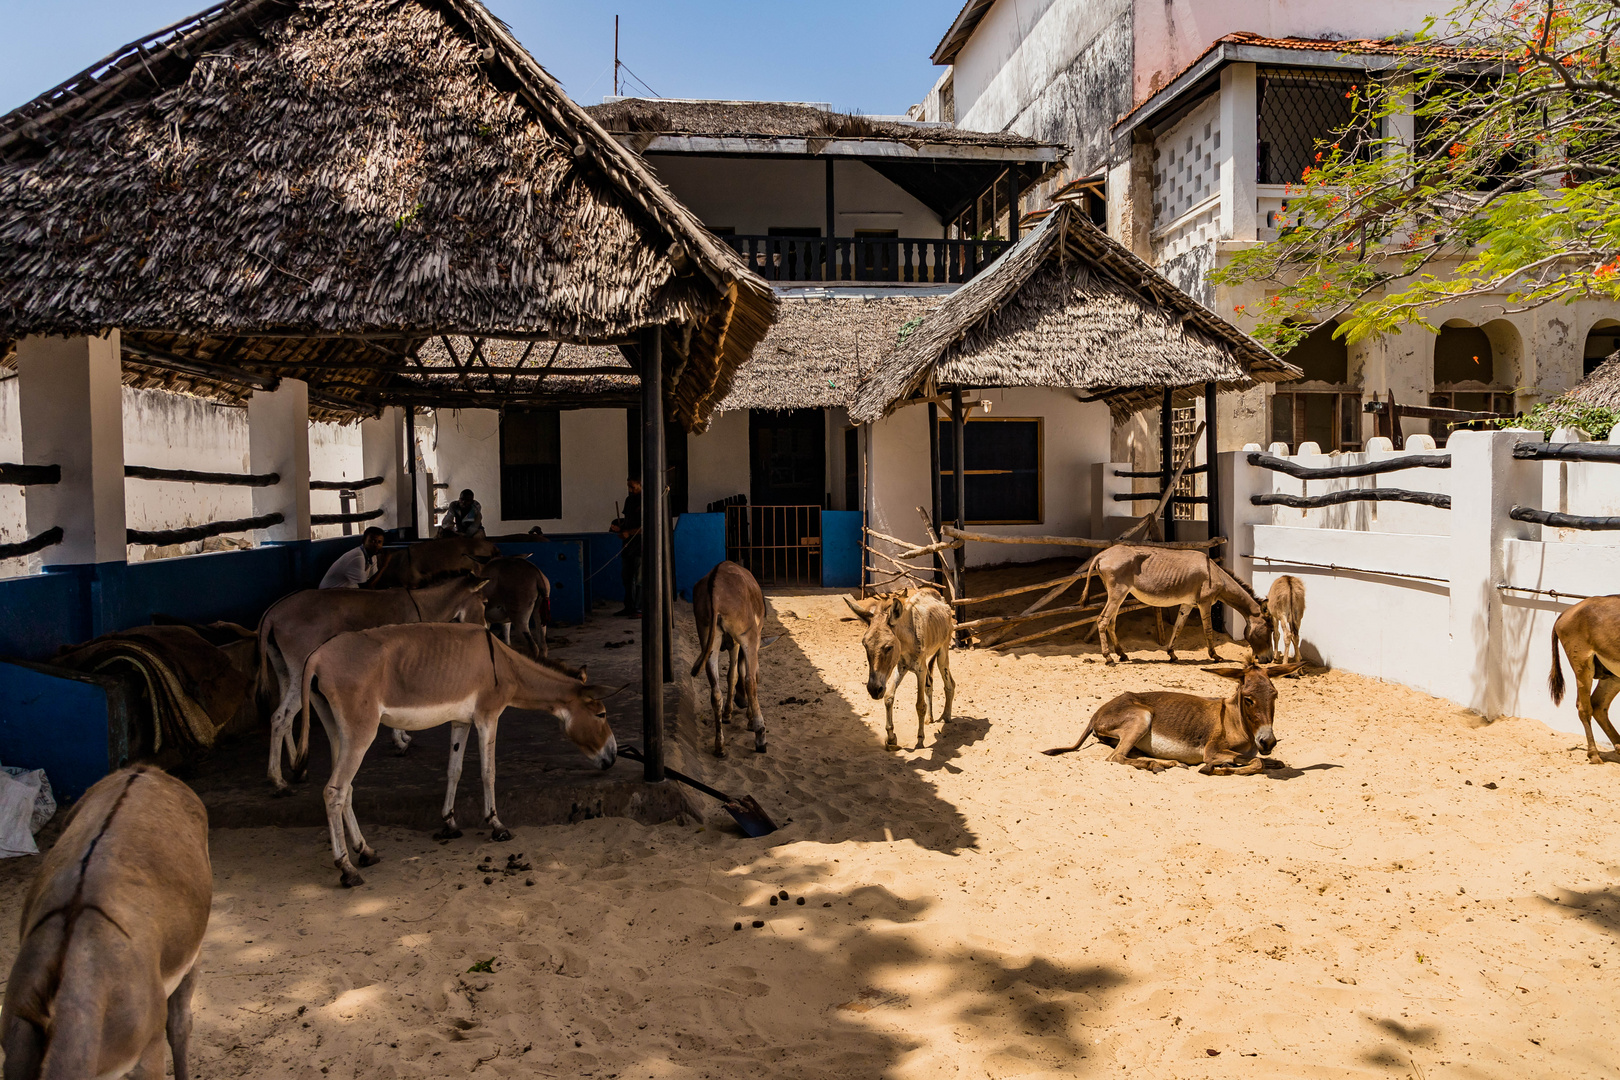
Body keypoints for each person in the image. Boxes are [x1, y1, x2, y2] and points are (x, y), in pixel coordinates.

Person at [610, 477, 642, 617]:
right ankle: (629, 607)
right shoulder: (629, 500)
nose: (630, 490)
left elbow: (648, 526)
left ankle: (639, 608)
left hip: (641, 546)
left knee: (638, 578)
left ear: (641, 485)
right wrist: (620, 528)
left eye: (633, 487)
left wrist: (629, 532)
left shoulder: (647, 500)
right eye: (628, 487)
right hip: (628, 546)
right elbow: (628, 522)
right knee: (627, 577)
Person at [319, 527, 386, 589]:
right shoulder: (358, 557)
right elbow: (366, 588)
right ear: (363, 541)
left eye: (379, 542)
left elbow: (373, 580)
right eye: (372, 541)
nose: (376, 545)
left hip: (342, 592)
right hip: (328, 594)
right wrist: (385, 565)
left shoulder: (372, 557)